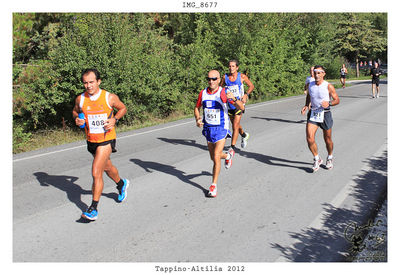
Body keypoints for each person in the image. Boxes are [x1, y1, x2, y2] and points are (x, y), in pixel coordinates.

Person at [72, 68, 129, 221]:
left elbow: (123, 108)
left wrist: (114, 120)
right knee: (107, 167)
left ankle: (93, 208)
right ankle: (121, 184)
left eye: (91, 82)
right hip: (91, 140)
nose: (88, 86)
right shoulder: (81, 99)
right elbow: (75, 112)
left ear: (98, 81)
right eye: (85, 83)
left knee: (96, 171)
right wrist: (78, 119)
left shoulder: (109, 97)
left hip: (106, 139)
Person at [194, 70, 244, 197]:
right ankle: (227, 156)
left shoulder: (223, 92)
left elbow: (241, 107)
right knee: (213, 157)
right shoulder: (203, 93)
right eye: (209, 79)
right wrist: (198, 119)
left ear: (218, 79)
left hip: (221, 128)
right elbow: (196, 107)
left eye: (214, 79)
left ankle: (213, 185)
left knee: (216, 155)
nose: (211, 81)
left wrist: (234, 99)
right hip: (208, 129)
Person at [301, 65, 340, 172]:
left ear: (323, 74)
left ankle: (330, 157)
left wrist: (329, 103)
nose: (316, 75)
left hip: (325, 114)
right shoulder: (310, 85)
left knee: (327, 139)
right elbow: (309, 96)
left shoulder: (328, 86)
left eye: (319, 73)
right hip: (313, 113)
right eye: (315, 72)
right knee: (309, 137)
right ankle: (317, 158)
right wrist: (306, 105)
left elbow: (337, 100)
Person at [221, 60, 254, 151]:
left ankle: (232, 147)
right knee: (236, 125)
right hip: (229, 105)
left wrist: (246, 94)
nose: (231, 68)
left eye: (233, 66)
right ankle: (244, 135)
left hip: (239, 104)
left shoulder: (242, 77)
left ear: (237, 67)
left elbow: (251, 86)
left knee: (235, 126)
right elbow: (220, 89)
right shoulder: (225, 77)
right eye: (229, 66)